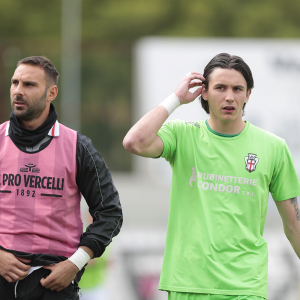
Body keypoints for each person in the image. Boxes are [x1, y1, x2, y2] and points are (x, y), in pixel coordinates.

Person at [123, 53, 300, 300]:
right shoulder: (182, 135)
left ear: (248, 94)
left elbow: (293, 224)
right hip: (189, 283)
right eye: (220, 87)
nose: (229, 96)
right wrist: (176, 99)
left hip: (245, 287)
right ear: (204, 92)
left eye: (238, 89)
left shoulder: (274, 147)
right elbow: (134, 142)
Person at [0, 56, 123, 299]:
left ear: (51, 92)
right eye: (15, 83)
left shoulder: (79, 147)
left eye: (29, 85)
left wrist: (76, 262)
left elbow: (110, 213)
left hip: (53, 284)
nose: (18, 91)